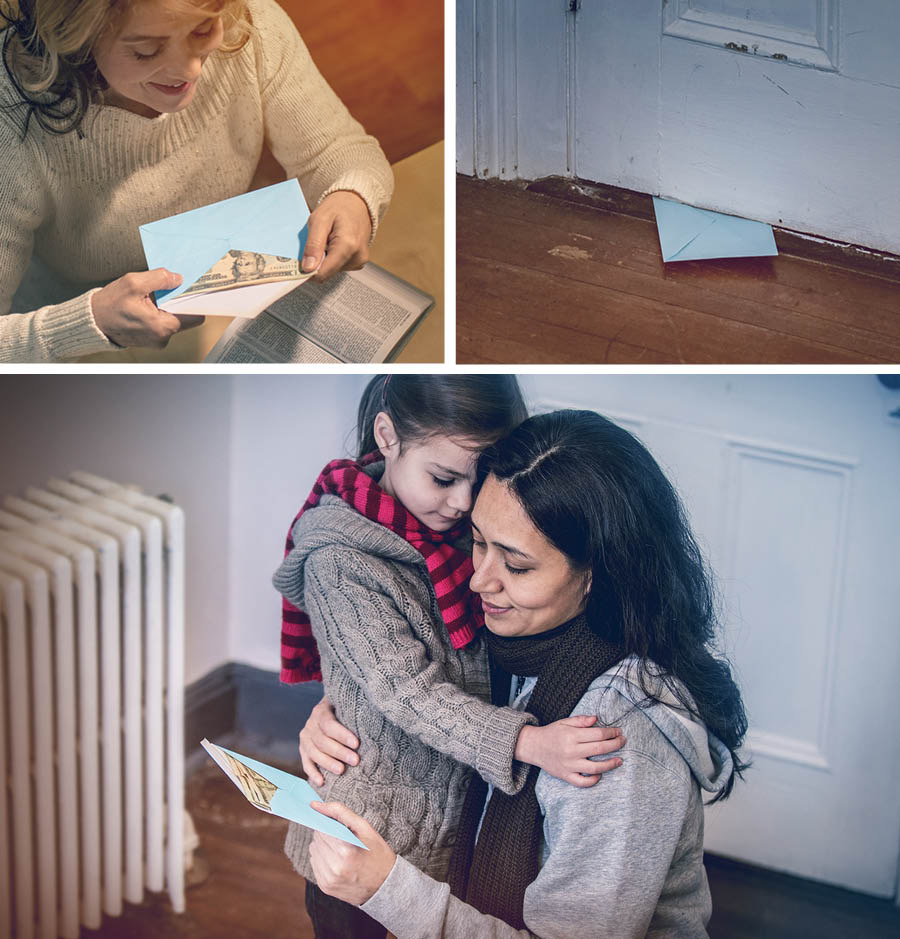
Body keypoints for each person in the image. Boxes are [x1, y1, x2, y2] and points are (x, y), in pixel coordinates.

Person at [304, 408, 749, 938]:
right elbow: (424, 698)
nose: (479, 581)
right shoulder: (509, 645)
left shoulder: (615, 741)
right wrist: (343, 711)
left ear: (598, 575)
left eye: (516, 566)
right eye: (477, 542)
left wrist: (388, 889)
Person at [273, 379, 626, 939]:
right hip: (362, 839)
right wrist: (529, 743)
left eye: (476, 481)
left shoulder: (460, 530)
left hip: (454, 831)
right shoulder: (340, 563)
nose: (462, 502)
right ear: (387, 436)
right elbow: (407, 692)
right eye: (443, 479)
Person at [0, 0, 392, 361]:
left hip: (224, 298)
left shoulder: (245, 22)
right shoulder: (11, 124)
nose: (190, 70)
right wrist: (88, 322)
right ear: (75, 35)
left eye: (203, 31)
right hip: (70, 335)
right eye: (146, 51)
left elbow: (338, 150)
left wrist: (352, 195)